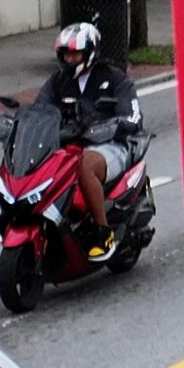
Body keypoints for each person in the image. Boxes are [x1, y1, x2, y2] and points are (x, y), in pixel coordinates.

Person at [32, 20, 138, 256]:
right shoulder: (58, 82)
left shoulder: (114, 78)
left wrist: (113, 125)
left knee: (82, 166)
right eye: (65, 55)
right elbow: (40, 109)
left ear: (90, 53)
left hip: (109, 146)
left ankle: (103, 232)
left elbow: (132, 115)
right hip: (67, 146)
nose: (69, 60)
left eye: (75, 54)